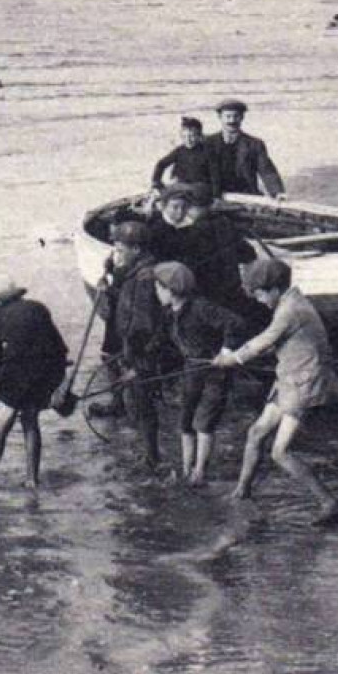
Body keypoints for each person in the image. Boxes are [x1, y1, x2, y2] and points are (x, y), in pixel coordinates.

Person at [214, 258, 338, 524]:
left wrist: (232, 359)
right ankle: (242, 491)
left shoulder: (291, 310)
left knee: (280, 452)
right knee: (256, 433)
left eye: (260, 293)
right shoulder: (290, 302)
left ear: (275, 288)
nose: (259, 299)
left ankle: (330, 503)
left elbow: (264, 341)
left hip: (304, 384)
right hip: (288, 380)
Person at [154, 262, 245, 486]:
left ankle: (200, 472)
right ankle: (186, 469)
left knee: (204, 422)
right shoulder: (169, 313)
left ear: (170, 290)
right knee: (185, 421)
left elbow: (236, 323)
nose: (156, 292)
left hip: (215, 372)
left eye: (158, 287)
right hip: (191, 370)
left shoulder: (201, 307)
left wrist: (225, 352)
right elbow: (162, 342)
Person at [0, 275, 69, 491]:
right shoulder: (38, 308)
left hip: (16, 375)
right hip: (44, 373)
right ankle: (32, 479)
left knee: (0, 427)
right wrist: (60, 382)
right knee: (30, 423)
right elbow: (60, 348)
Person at [98, 220, 169, 469]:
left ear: (136, 249)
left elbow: (143, 323)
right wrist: (108, 282)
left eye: (120, 248)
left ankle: (151, 457)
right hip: (135, 349)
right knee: (141, 403)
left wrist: (136, 360)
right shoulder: (134, 272)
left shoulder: (144, 279)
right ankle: (149, 454)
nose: (116, 254)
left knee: (143, 404)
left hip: (141, 352)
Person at [171, 183, 256, 310]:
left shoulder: (195, 231)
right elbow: (248, 253)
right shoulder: (226, 223)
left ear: (190, 207)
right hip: (232, 288)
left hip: (208, 293)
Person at [207, 100, 285, 199]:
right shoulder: (208, 143)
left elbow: (266, 170)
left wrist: (277, 192)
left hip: (246, 195)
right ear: (220, 118)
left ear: (242, 118)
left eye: (236, 116)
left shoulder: (255, 144)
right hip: (216, 195)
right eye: (228, 116)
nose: (232, 121)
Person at [149, 117, 221, 198]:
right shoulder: (180, 150)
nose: (188, 140)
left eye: (192, 136)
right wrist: (156, 182)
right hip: (180, 184)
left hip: (200, 186)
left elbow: (215, 175)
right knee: (163, 196)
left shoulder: (208, 152)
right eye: (184, 137)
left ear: (200, 136)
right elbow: (161, 164)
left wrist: (216, 196)